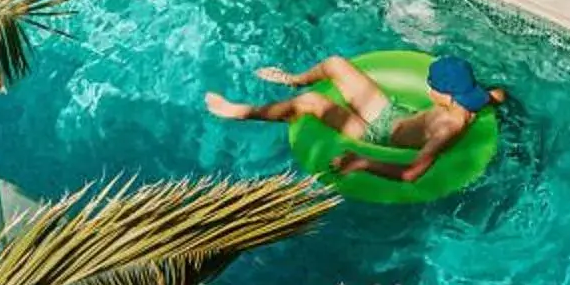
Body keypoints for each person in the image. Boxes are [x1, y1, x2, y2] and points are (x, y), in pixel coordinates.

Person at [205, 53, 509, 183]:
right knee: (336, 64)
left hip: (377, 136)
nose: (427, 89)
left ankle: (242, 112)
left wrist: (362, 162)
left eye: (431, 87)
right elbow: (500, 94)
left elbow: (411, 174)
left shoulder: (448, 126)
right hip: (395, 116)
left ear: (445, 95)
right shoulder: (477, 98)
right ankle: (294, 79)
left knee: (311, 103)